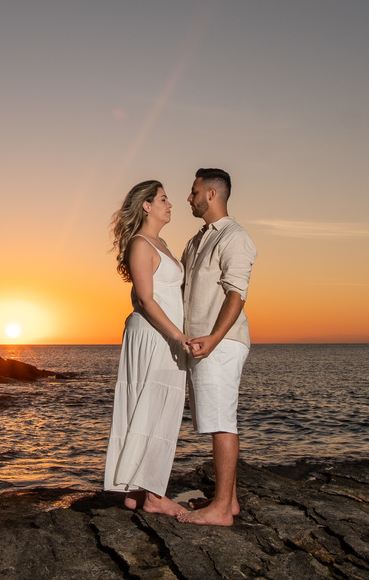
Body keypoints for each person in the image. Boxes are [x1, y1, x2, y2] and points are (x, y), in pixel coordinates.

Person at [103, 180, 190, 515]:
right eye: (164, 199)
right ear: (146, 206)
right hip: (155, 334)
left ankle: (137, 490)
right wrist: (177, 336)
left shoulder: (161, 242)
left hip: (162, 333)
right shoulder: (141, 244)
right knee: (155, 407)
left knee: (155, 407)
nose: (171, 204)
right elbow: (144, 298)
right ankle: (153, 496)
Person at [179, 168, 257, 526]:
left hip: (221, 343)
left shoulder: (235, 237)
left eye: (194, 192)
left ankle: (222, 509)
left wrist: (213, 339)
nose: (189, 198)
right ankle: (229, 500)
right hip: (198, 342)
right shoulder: (196, 240)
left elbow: (236, 294)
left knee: (222, 421)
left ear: (211, 194)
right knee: (214, 420)